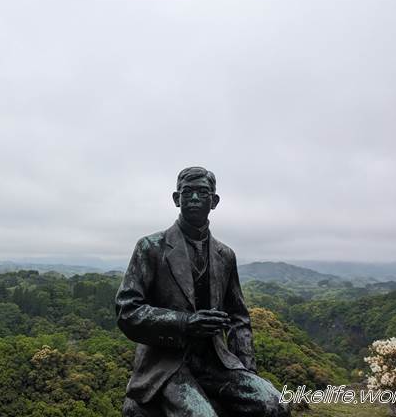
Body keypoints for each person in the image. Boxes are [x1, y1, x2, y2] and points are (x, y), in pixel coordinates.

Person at [115, 167, 290, 417]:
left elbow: (239, 318)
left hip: (216, 362)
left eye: (202, 193)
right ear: (177, 199)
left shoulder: (225, 255)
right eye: (188, 192)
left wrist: (246, 370)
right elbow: (127, 311)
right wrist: (184, 323)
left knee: (275, 404)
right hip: (166, 364)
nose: (195, 198)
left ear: (214, 201)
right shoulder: (150, 247)